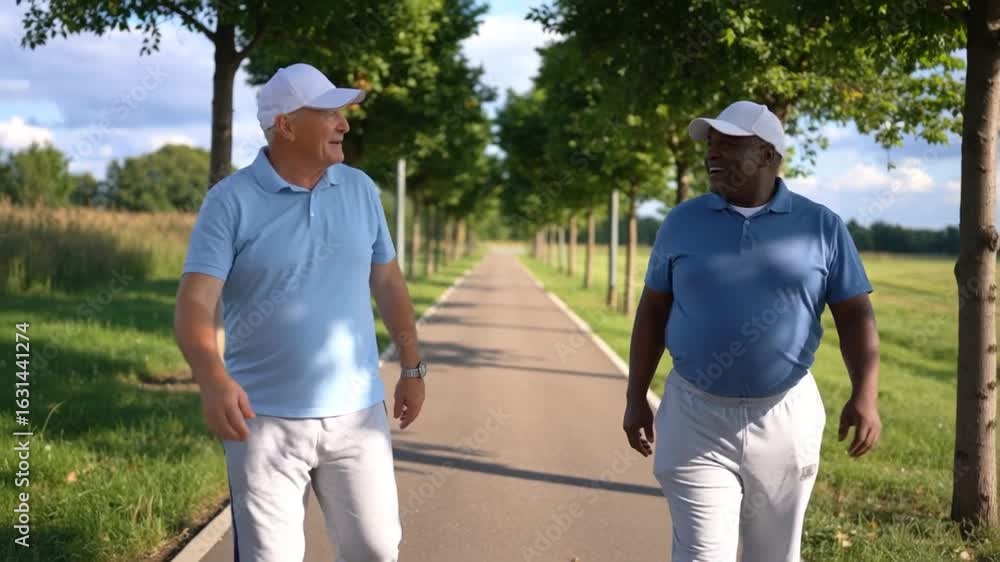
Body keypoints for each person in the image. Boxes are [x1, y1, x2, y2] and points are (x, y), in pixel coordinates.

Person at [174, 62, 428, 562]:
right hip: (263, 420)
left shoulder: (358, 189)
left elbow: (388, 281)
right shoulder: (230, 202)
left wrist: (412, 365)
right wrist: (212, 378)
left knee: (376, 550)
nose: (345, 124)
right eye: (330, 112)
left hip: (357, 413)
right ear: (286, 124)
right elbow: (193, 303)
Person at [623, 100, 881, 562]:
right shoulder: (681, 223)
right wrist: (635, 395)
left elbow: (854, 317)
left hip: (786, 417)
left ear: (767, 155)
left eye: (728, 144)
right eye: (711, 143)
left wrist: (866, 394)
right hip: (694, 418)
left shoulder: (821, 226)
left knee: (774, 556)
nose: (712, 154)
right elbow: (652, 311)